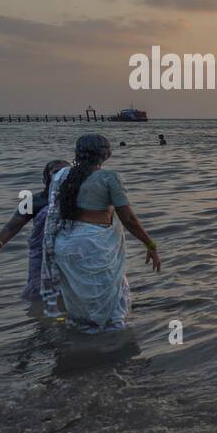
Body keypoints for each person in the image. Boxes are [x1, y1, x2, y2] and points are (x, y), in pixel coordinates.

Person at [41, 134, 160, 332]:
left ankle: (81, 340)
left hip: (65, 244)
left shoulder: (62, 176)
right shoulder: (108, 177)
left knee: (81, 302)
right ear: (105, 154)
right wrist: (150, 245)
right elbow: (128, 219)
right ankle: (110, 344)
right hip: (93, 246)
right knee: (108, 304)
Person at [0, 158, 70, 301]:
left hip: (70, 252)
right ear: (46, 177)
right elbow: (12, 226)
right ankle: (40, 318)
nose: (61, 175)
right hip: (42, 253)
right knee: (38, 293)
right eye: (56, 172)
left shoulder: (78, 199)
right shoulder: (35, 201)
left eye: (66, 172)